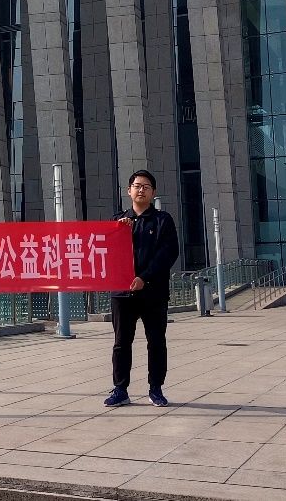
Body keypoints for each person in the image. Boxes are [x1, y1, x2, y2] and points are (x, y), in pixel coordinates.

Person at [104, 169, 179, 408]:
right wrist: (119, 231)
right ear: (129, 191)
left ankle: (156, 388)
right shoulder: (117, 221)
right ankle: (120, 389)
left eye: (146, 187)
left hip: (153, 292)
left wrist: (144, 278)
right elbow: (106, 253)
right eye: (137, 186)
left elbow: (168, 253)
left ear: (153, 192)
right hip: (122, 293)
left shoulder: (162, 220)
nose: (141, 190)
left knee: (156, 342)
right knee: (121, 342)